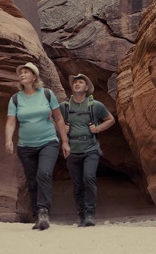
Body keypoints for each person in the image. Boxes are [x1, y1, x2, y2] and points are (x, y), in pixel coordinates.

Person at [5, 62, 70, 231]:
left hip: (48, 141)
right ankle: (37, 216)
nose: (22, 74)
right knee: (32, 181)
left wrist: (64, 141)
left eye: (26, 72)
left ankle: (43, 211)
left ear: (34, 77)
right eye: (21, 72)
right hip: (25, 146)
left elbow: (59, 119)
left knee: (44, 173)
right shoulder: (15, 98)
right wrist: (8, 139)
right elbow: (11, 122)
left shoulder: (47, 94)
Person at [60, 73, 115, 227]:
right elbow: (52, 119)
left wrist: (97, 129)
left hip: (91, 148)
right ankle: (82, 215)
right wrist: (61, 129)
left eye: (80, 82)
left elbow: (111, 119)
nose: (77, 84)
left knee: (89, 178)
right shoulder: (65, 106)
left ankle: (90, 213)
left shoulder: (95, 105)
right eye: (75, 82)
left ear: (86, 88)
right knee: (77, 184)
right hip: (71, 150)